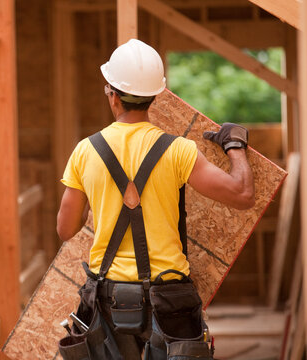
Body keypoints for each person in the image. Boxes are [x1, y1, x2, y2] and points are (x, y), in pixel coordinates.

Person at [56, 39, 254, 359]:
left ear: (113, 96)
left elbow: (65, 230)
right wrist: (235, 145)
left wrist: (98, 196)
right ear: (154, 96)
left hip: (107, 301)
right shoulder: (177, 151)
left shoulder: (86, 151)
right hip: (169, 301)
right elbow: (243, 194)